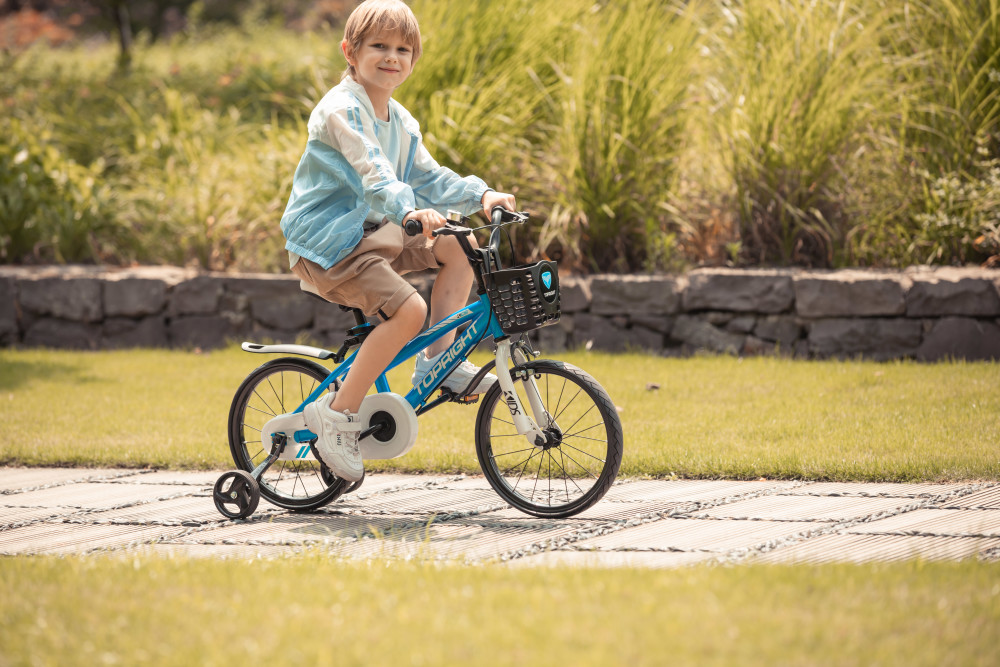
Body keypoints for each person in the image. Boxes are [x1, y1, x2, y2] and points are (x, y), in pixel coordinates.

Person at [279, 0, 516, 483]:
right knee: (408, 312)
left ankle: (439, 364)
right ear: (350, 51)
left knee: (461, 244)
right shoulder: (340, 110)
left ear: (414, 59)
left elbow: (428, 175)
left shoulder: (401, 120)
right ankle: (338, 417)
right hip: (331, 245)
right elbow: (373, 172)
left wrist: (482, 193)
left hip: (378, 234)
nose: (392, 57)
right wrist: (408, 210)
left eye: (403, 49)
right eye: (379, 46)